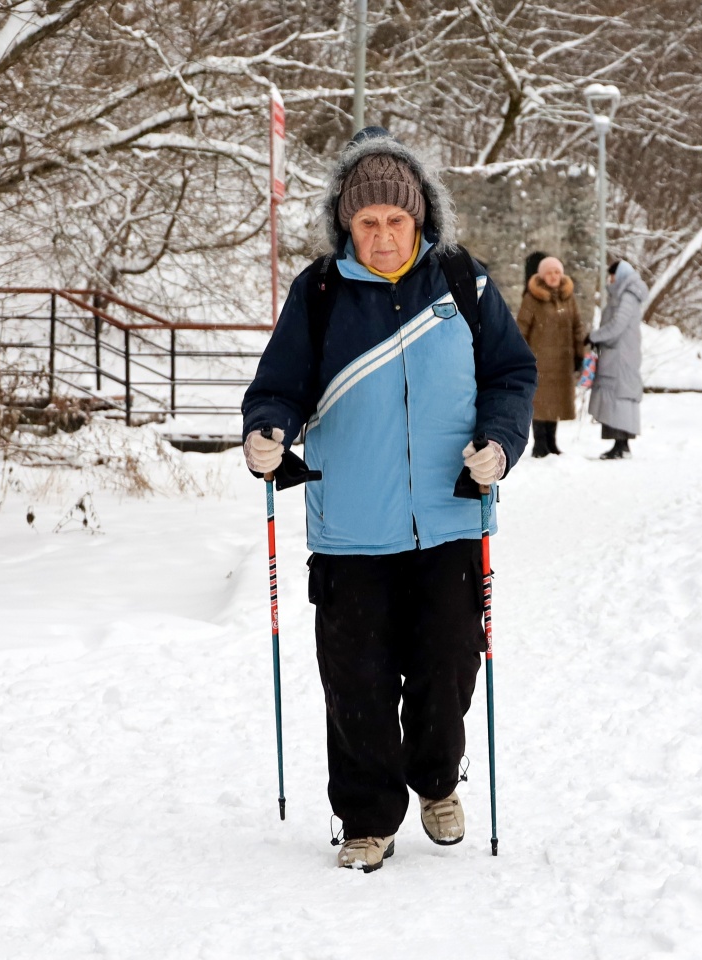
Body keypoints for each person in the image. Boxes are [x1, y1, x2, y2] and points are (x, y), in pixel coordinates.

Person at [241, 128, 537, 873]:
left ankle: (437, 780)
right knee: (358, 688)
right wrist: (265, 432)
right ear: (346, 222)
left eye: (393, 221)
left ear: (420, 220)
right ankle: (367, 818)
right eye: (364, 221)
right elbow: (277, 387)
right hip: (351, 531)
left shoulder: (464, 285)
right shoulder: (318, 294)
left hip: (450, 519)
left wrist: (500, 442)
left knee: (447, 671)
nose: (379, 234)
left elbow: (511, 375)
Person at [515, 256, 588, 457]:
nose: (554, 276)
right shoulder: (531, 298)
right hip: (539, 361)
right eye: (549, 272)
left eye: (557, 272)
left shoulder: (568, 297)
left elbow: (577, 326)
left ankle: (552, 442)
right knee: (540, 402)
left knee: (556, 401)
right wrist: (520, 357)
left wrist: (579, 354)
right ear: (541, 275)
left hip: (562, 361)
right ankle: (540, 443)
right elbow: (521, 328)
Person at [587, 256, 647, 459]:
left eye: (611, 276)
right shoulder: (624, 294)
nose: (609, 281)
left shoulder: (627, 296)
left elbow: (618, 325)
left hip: (620, 355)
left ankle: (621, 444)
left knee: (619, 396)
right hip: (619, 353)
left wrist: (595, 336)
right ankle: (620, 444)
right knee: (617, 395)